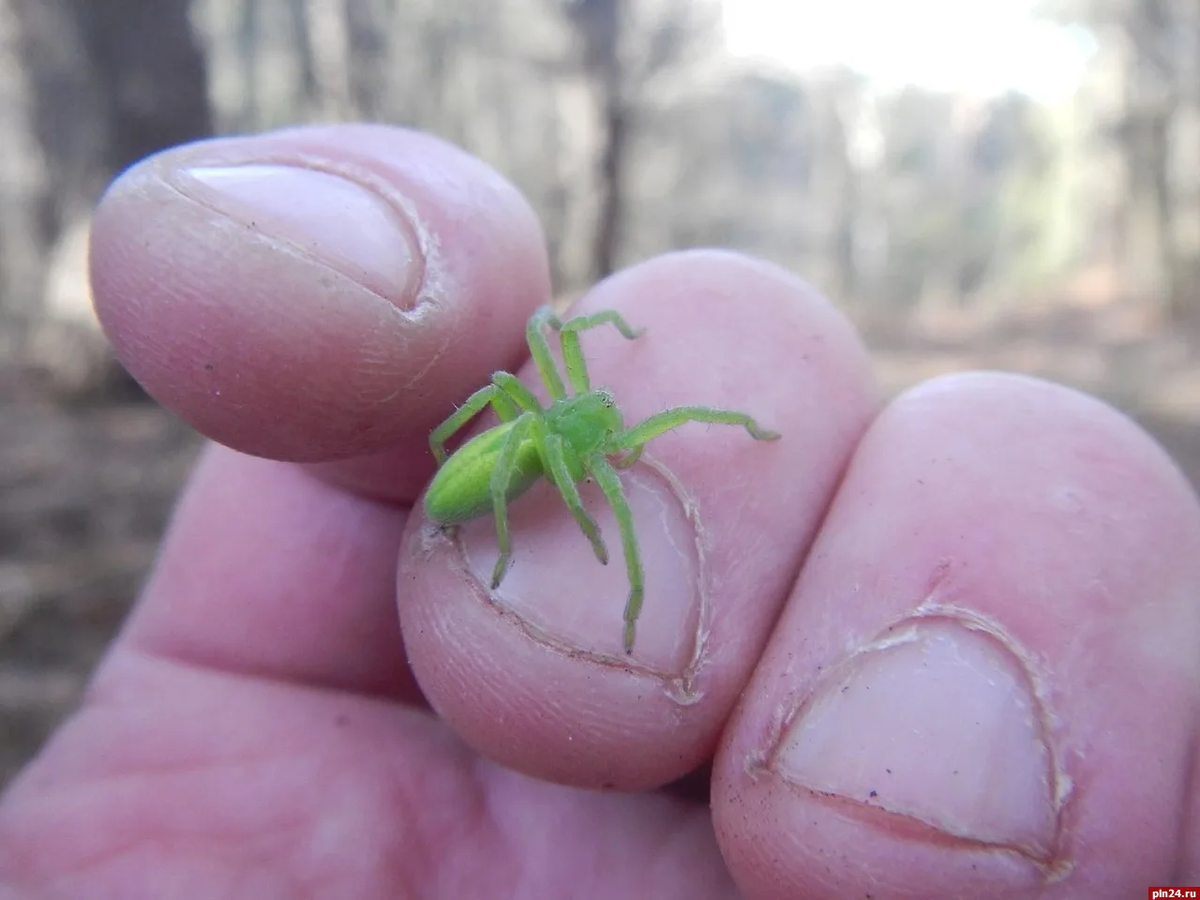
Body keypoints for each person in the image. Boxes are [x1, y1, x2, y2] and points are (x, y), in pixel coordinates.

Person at [1, 124, 1197, 899]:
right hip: (498, 474)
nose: (621, 433)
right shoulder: (568, 438)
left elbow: (642, 406)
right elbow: (551, 365)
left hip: (513, 465)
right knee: (623, 478)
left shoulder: (592, 433)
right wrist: (568, 536)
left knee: (671, 455)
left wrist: (657, 384)